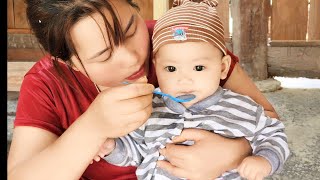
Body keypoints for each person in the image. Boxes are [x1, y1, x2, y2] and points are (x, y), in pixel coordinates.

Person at [7, 0, 279, 179]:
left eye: (130, 29)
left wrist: (234, 152)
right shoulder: (47, 84)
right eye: (103, 55)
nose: (133, 58)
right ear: (69, 62)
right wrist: (92, 127)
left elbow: (266, 117)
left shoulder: (177, 43)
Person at [97, 1, 289, 180]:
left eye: (198, 68)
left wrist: (265, 160)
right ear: (156, 67)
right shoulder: (149, 110)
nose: (184, 80)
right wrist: (112, 148)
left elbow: (273, 133)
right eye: (171, 69)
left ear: (222, 68)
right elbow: (135, 151)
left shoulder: (241, 107)